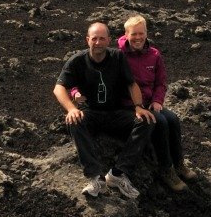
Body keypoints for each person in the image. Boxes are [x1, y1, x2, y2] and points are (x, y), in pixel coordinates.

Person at [53, 21, 155, 199]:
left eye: (102, 38)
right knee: (75, 121)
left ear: (109, 40)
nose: (98, 42)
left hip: (115, 113)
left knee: (146, 120)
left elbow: (131, 84)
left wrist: (138, 107)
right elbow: (59, 88)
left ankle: (117, 173)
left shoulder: (117, 57)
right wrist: (71, 108)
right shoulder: (77, 60)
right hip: (91, 112)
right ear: (87, 40)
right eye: (94, 38)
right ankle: (94, 177)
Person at [118, 14, 196, 191]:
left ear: (146, 33)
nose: (138, 38)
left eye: (141, 33)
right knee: (159, 122)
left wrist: (157, 100)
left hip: (149, 102)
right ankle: (166, 169)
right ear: (126, 34)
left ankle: (179, 163)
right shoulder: (118, 55)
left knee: (173, 119)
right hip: (129, 105)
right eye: (134, 34)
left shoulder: (154, 55)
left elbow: (161, 82)